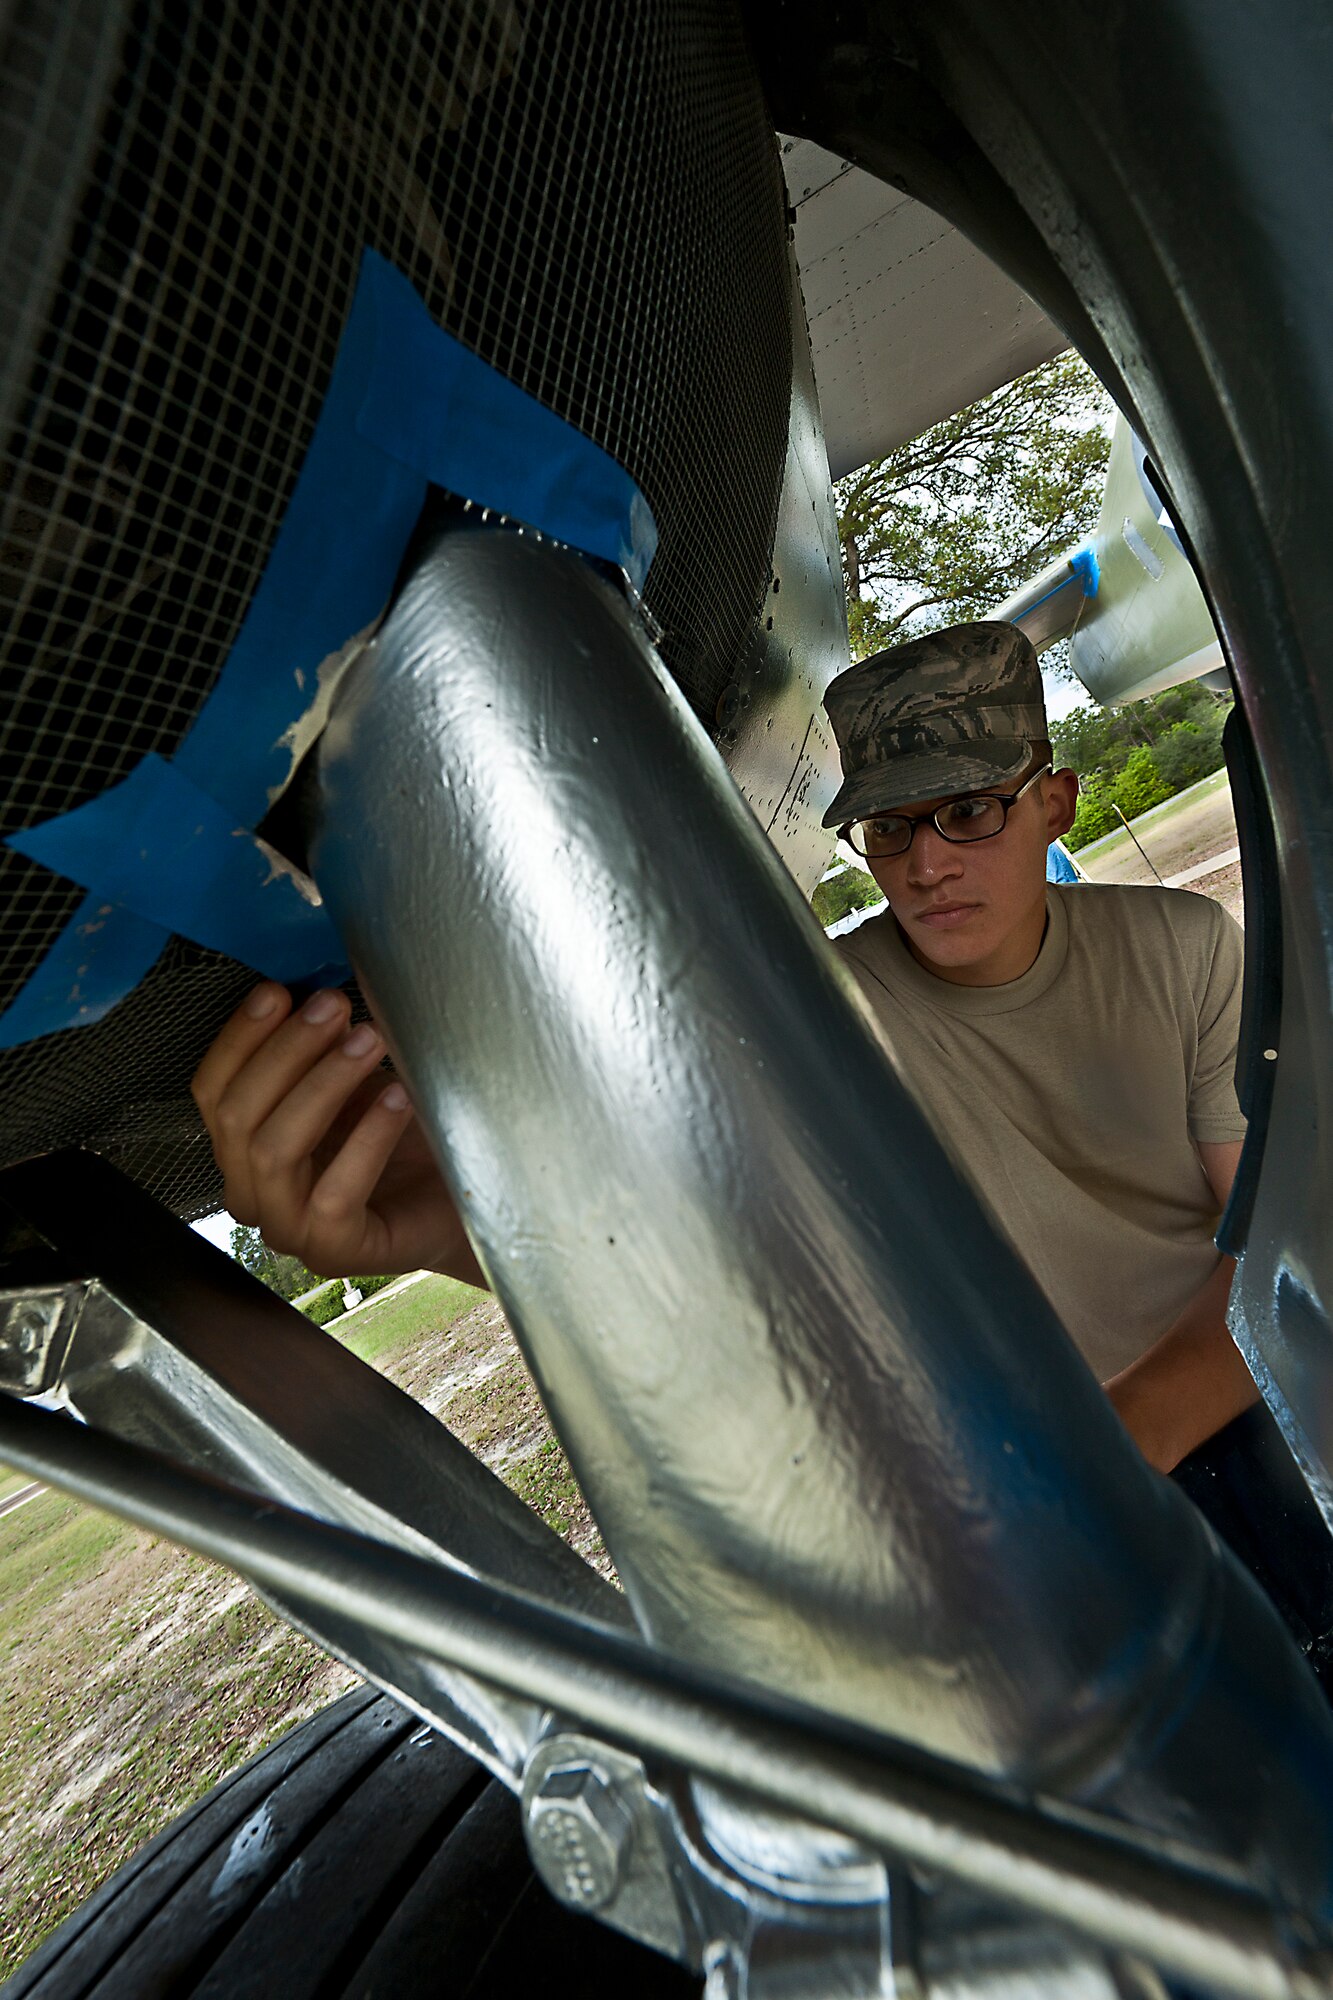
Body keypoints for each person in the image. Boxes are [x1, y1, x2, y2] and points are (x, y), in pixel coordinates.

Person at [821, 619, 1257, 1474]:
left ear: (1053, 805)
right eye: (887, 826)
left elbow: (1274, 1243)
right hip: (1017, 1469)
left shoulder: (1182, 948)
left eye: (968, 810)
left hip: (1224, 1389)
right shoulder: (823, 1010)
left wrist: (1123, 1443)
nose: (926, 865)